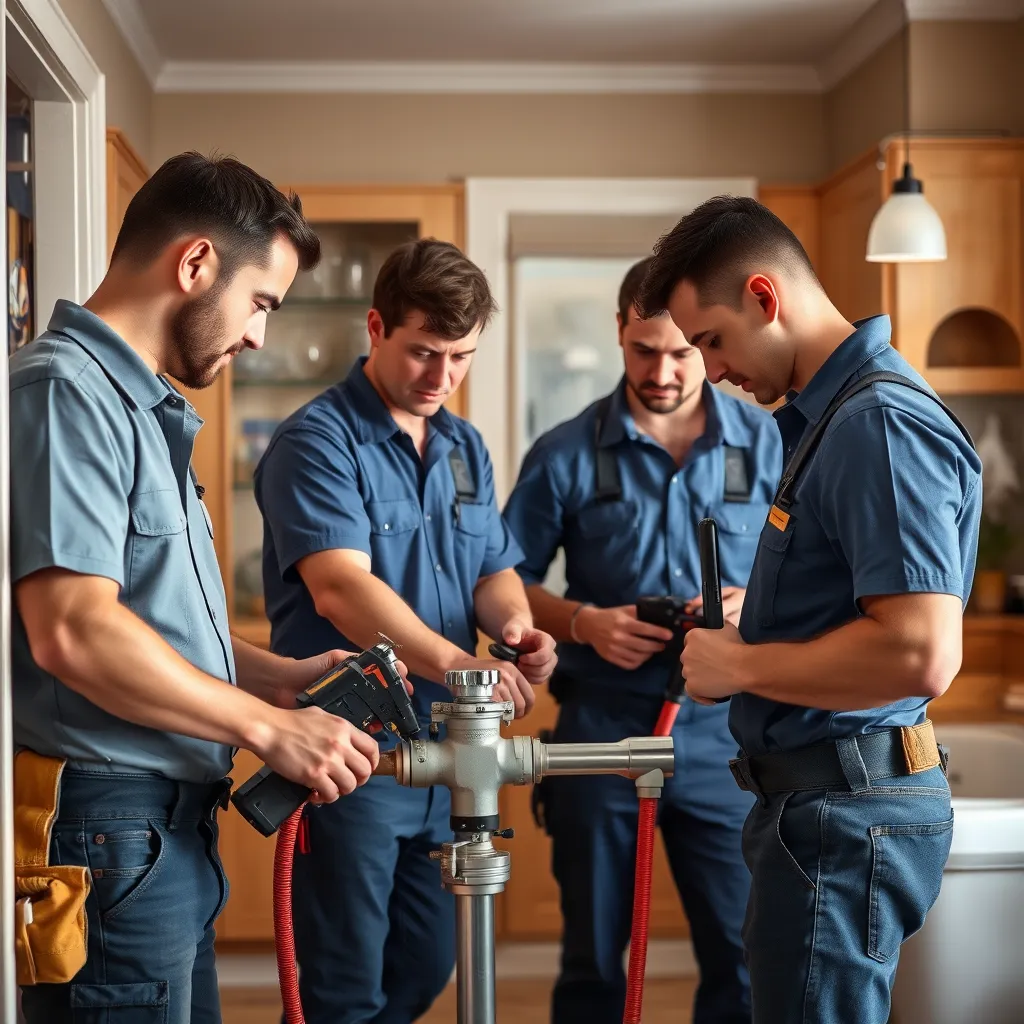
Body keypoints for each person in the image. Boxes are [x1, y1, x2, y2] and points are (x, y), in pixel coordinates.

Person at [11, 153, 389, 1024]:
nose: (259, 335)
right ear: (194, 265)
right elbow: (72, 631)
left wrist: (276, 678)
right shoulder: (66, 392)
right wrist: (267, 726)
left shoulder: (142, 411)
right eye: (260, 302)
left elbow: (146, 622)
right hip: (108, 832)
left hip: (163, 834)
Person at [638, 195, 982, 1024]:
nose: (710, 372)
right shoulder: (830, 419)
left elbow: (920, 651)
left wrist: (742, 664)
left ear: (765, 295)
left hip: (843, 812)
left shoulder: (875, 423)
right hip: (822, 809)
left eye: (712, 341)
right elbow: (863, 602)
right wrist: (764, 613)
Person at [254, 237, 558, 1024]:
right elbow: (340, 588)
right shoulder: (317, 441)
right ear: (376, 327)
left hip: (446, 751)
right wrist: (464, 663)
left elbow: (492, 568)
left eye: (460, 357)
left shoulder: (462, 447)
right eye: (424, 352)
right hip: (350, 751)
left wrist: (518, 628)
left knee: (425, 964)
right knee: (341, 985)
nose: (441, 378)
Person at [502, 257, 782, 1024]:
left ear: (706, 341)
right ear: (620, 331)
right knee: (593, 956)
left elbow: (826, 578)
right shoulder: (562, 453)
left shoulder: (769, 446)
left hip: (726, 735)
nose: (661, 371)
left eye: (681, 351)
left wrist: (752, 601)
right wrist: (580, 621)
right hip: (599, 730)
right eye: (642, 350)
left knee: (742, 950)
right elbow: (499, 580)